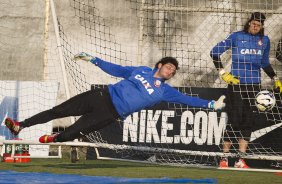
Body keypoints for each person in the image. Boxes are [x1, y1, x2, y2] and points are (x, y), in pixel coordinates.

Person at [5, 53, 226, 143]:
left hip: (110, 113)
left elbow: (186, 100)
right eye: (169, 66)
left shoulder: (164, 91)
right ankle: (20, 126)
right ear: (159, 65)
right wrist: (94, 60)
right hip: (101, 96)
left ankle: (52, 139)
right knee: (58, 111)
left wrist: (210, 104)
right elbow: (117, 69)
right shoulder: (140, 70)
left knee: (70, 134)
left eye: (173, 70)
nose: (171, 71)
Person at [210, 12, 282, 168]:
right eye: (254, 23)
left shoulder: (265, 40)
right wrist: (223, 73)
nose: (256, 26)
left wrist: (275, 78)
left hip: (254, 86)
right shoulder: (236, 36)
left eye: (259, 24)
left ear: (262, 26)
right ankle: (224, 158)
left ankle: (240, 160)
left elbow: (264, 63)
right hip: (236, 84)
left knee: (248, 122)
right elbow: (214, 52)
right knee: (234, 121)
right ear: (249, 22)